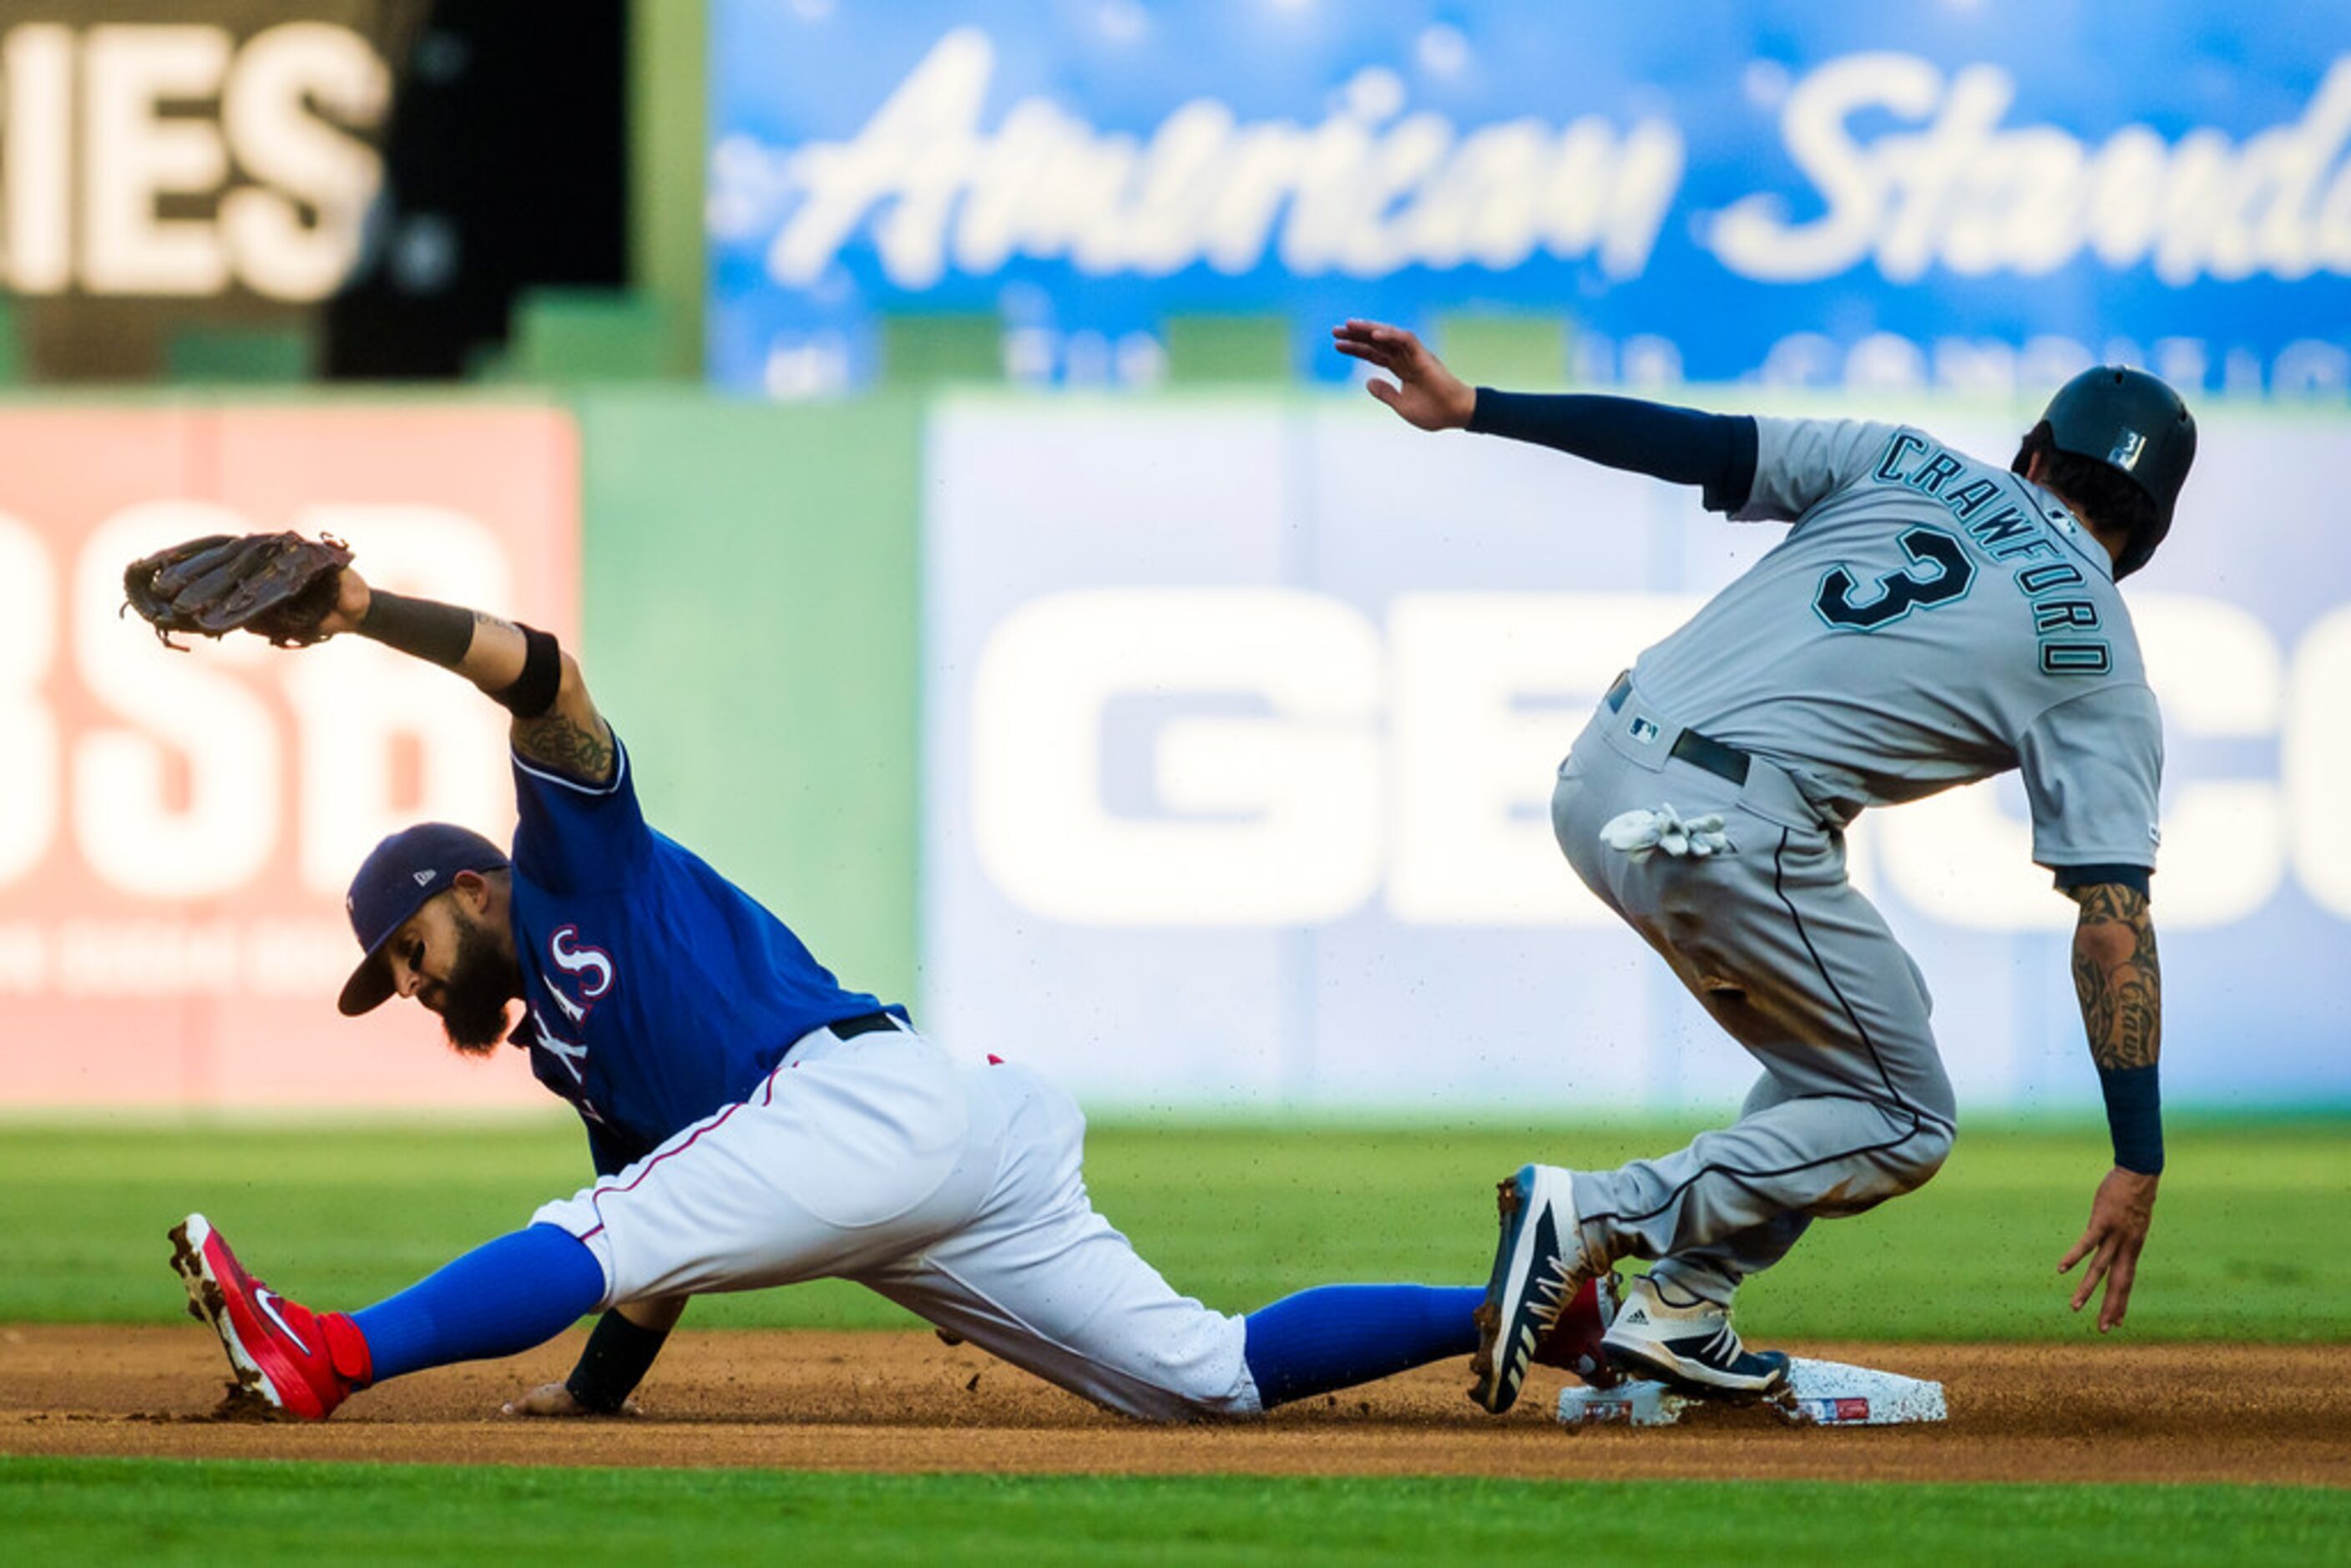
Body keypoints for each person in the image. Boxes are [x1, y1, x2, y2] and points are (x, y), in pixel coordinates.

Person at [164, 563, 1621, 1423]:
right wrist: (594, 1396)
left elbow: (543, 675)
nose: (407, 985)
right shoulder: (571, 1055)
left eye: (404, 950)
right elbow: (656, 1252)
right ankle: (1517, 1303)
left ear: (468, 887)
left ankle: (328, 1353)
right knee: (1202, 1377)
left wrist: (358, 607)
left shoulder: (566, 870)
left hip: (862, 1099)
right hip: (945, 1143)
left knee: (592, 1227)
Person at [1333, 319, 2191, 1415]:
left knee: (1863, 1040)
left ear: (2032, 448)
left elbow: (1693, 442)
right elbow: (2112, 919)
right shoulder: (2098, 649)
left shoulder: (1905, 458)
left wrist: (1478, 408)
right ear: (2150, 536)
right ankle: (1597, 1214)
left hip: (1601, 767)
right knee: (1905, 1114)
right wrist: (2138, 1152)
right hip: (1729, 823)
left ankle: (1682, 1305)